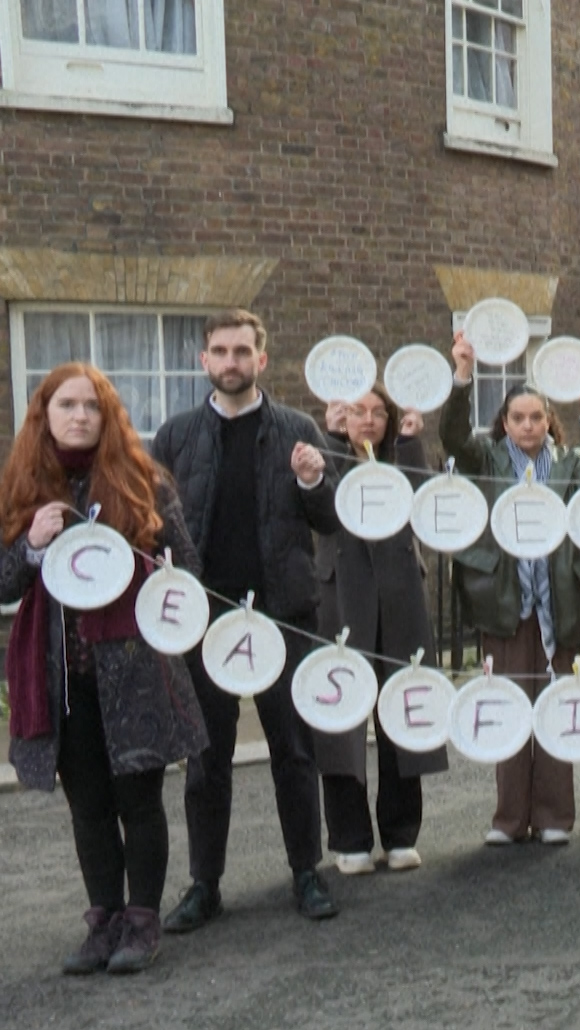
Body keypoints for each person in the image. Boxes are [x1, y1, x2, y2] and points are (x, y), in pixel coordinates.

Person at [0, 363, 208, 975]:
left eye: (91, 405)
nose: (80, 415)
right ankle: (103, 919)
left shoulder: (144, 482)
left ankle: (142, 920)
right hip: (62, 680)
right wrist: (32, 545)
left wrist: (152, 567)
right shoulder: (23, 488)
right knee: (87, 805)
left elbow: (186, 573)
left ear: (108, 415)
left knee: (139, 798)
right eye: (67, 405)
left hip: (134, 670)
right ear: (45, 414)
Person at [152, 309, 342, 930]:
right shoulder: (176, 436)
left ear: (262, 359)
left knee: (294, 749)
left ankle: (306, 872)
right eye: (219, 351)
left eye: (242, 351)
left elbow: (330, 520)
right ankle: (204, 884)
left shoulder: (298, 430)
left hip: (285, 612)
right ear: (203, 361)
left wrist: (316, 482)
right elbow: (151, 524)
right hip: (205, 618)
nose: (231, 361)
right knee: (207, 760)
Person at [443, 333, 580, 846]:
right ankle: (509, 819)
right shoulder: (487, 460)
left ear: (548, 420)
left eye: (537, 417)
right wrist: (462, 377)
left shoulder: (571, 462)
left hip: (558, 604)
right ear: (505, 423)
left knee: (557, 711)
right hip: (507, 606)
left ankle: (555, 817)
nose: (529, 426)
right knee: (511, 711)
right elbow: (451, 437)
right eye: (519, 418)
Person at [312, 387, 449, 875]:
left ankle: (400, 834)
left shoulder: (399, 459)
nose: (367, 421)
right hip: (341, 595)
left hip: (399, 595)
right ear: (340, 418)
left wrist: (412, 442)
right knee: (341, 719)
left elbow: (427, 506)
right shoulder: (325, 457)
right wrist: (329, 439)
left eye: (377, 412)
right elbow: (319, 503)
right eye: (356, 412)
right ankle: (349, 839)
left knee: (404, 714)